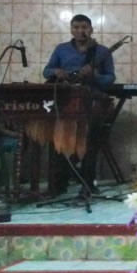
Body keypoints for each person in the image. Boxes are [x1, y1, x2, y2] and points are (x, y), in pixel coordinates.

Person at [42, 14, 115, 196]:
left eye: (84, 27)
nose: (80, 30)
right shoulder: (61, 49)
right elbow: (46, 71)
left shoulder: (102, 52)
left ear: (91, 30)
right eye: (76, 27)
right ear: (71, 29)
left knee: (91, 141)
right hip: (66, 102)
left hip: (92, 102)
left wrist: (95, 76)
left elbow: (110, 79)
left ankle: (87, 184)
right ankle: (58, 184)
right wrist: (57, 71)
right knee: (60, 140)